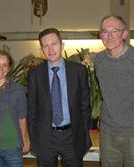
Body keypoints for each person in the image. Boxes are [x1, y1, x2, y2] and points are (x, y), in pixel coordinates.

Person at [95, 15, 134, 167]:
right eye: (105, 31)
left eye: (115, 31)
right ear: (100, 35)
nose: (109, 36)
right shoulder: (99, 60)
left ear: (124, 34)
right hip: (108, 134)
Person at [27, 28, 92, 167]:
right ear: (42, 49)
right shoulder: (34, 74)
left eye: (54, 44)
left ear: (62, 45)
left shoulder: (79, 71)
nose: (50, 49)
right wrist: (34, 137)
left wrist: (83, 131)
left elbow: (85, 106)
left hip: (72, 136)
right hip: (46, 136)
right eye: (46, 46)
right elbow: (32, 109)